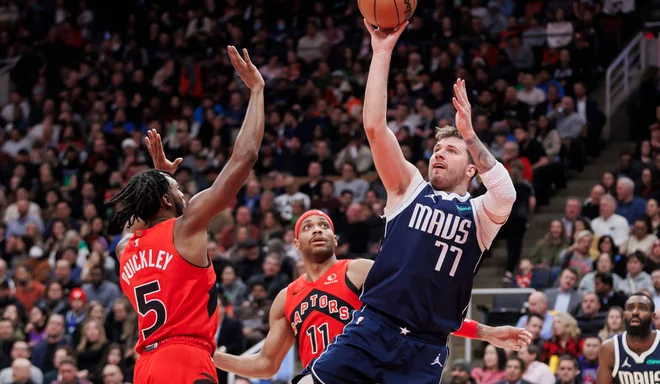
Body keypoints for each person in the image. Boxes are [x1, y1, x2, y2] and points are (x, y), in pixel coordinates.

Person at [290, 22, 517, 383]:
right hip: (372, 328)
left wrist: (470, 134)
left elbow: (506, 193)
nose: (439, 154)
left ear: (472, 167)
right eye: (437, 149)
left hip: (425, 348)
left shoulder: (481, 215)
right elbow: (375, 128)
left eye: (452, 150)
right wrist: (381, 52)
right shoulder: (410, 188)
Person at [213, 210, 531, 379]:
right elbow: (267, 364)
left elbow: (420, 310)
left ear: (335, 238)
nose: (318, 230)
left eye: (323, 225)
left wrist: (485, 332)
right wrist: (213, 357)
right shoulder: (286, 297)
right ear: (296, 244)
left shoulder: (359, 270)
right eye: (308, 227)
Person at [112, 47, 265, 384]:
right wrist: (256, 90)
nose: (184, 192)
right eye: (177, 189)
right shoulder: (186, 227)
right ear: (166, 200)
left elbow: (140, 223)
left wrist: (158, 179)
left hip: (146, 368)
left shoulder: (125, 250)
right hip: (185, 358)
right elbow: (245, 157)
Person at [597, 292, 660, 383]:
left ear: (653, 317)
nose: (635, 312)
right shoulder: (610, 348)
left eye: (642, 308)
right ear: (624, 316)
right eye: (630, 308)